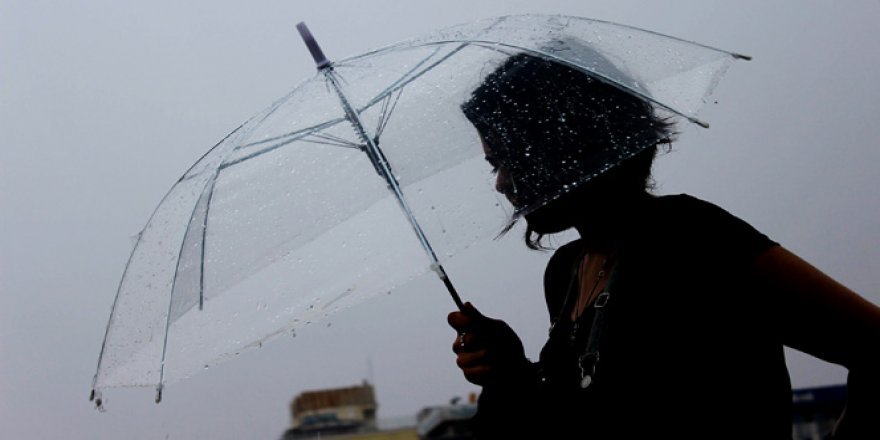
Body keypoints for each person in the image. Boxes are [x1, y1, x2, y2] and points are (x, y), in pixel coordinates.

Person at [447, 52, 880, 438]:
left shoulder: (692, 237)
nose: (502, 182)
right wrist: (511, 372)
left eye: (510, 158)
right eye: (493, 165)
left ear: (568, 142)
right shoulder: (566, 270)